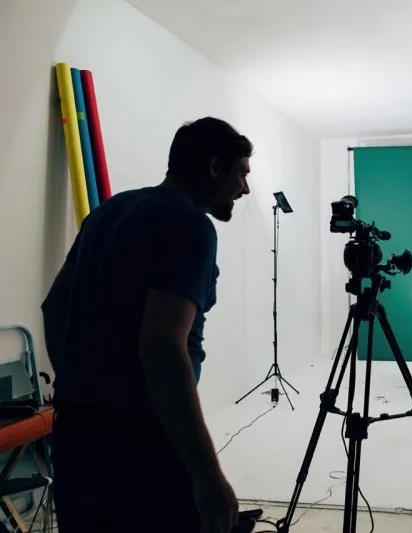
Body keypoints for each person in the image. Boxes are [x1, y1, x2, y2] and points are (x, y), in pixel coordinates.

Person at [41, 117, 254, 533]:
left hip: (77, 434)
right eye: (241, 174)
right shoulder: (190, 225)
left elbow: (54, 306)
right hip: (143, 441)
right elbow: (161, 346)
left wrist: (76, 382)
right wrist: (208, 475)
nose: (245, 189)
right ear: (215, 167)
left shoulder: (107, 212)